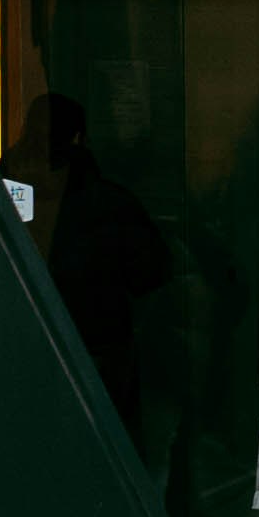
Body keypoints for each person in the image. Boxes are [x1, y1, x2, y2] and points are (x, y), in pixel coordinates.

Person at [40, 89, 175, 435]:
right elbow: (151, 273)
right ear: (79, 138)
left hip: (31, 342)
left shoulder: (7, 191)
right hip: (100, 345)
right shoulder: (109, 203)